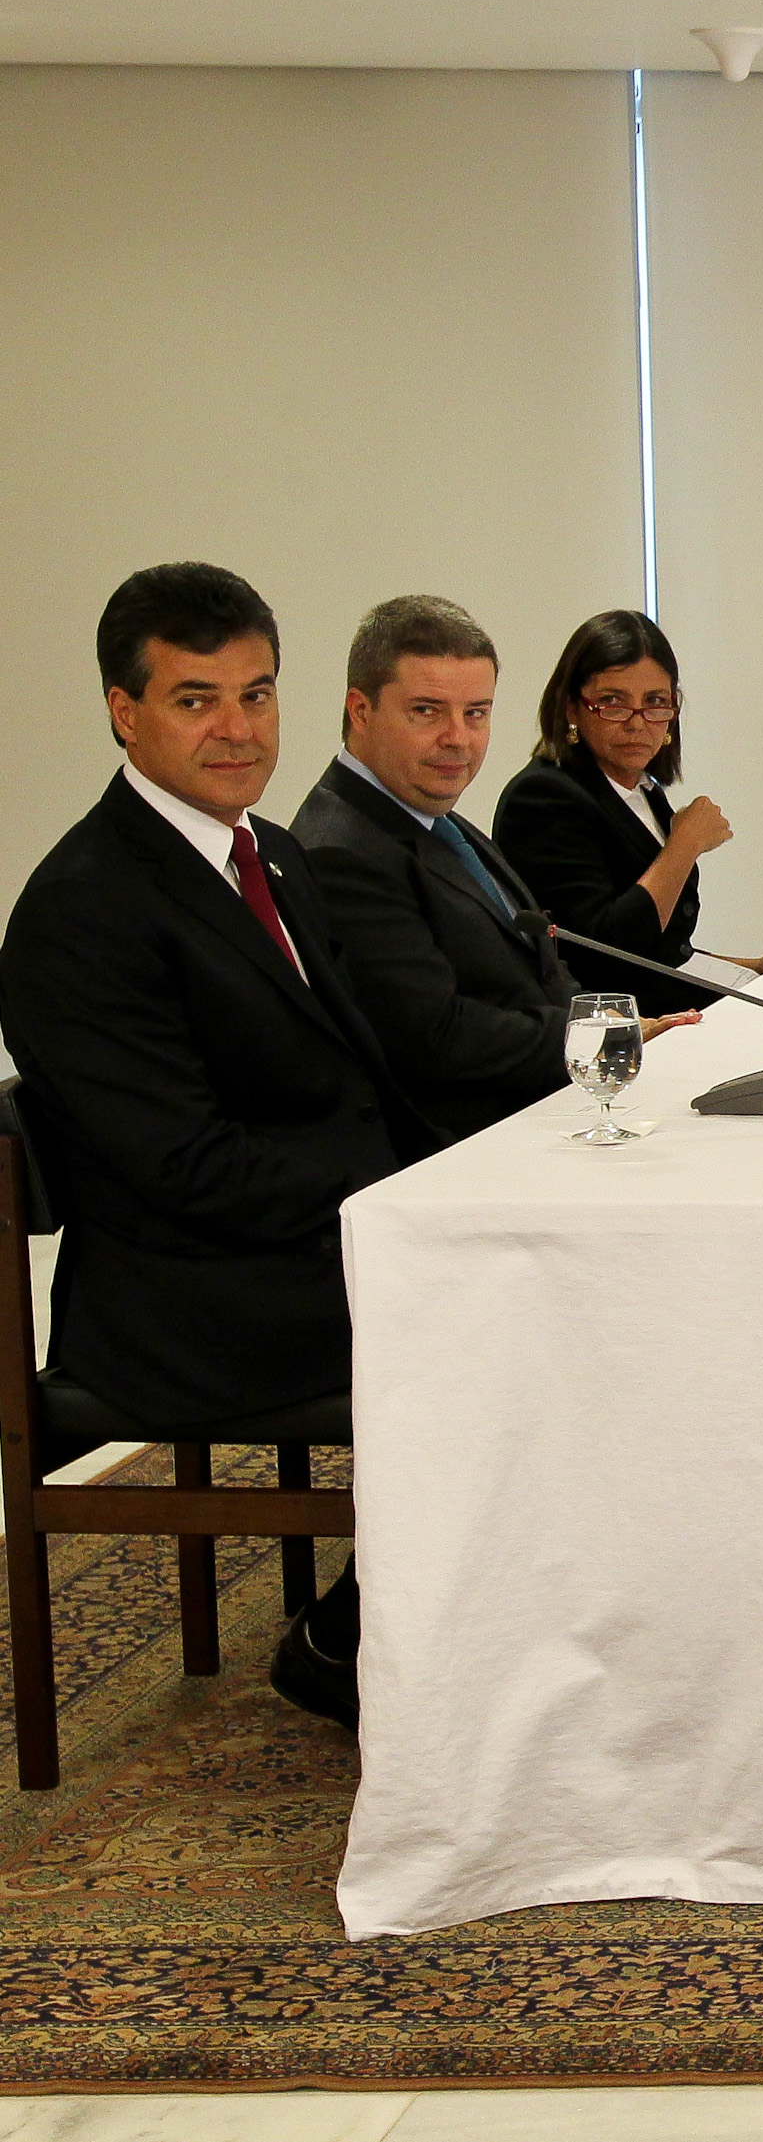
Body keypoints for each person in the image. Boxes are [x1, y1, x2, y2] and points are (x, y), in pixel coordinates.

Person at [0, 563, 437, 1728]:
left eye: (257, 694)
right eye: (197, 700)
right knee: (518, 1313)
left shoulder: (273, 854)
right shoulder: (81, 908)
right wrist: (398, 1193)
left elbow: (357, 1083)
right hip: (187, 1300)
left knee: (554, 1268)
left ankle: (452, 1625)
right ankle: (358, 1647)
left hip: (296, 1243)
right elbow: (185, 1172)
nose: (238, 730)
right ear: (122, 710)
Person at [292, 598, 653, 1146]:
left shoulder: (434, 817)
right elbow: (432, 1035)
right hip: (461, 1155)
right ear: (360, 711)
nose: (458, 737)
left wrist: (598, 1024)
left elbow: (539, 966)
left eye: (476, 712)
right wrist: (590, 1035)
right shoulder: (341, 849)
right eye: (427, 711)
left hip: (545, 1114)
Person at [494, 609, 763, 1020]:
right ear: (571, 708)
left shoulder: (641, 789)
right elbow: (606, 953)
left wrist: (750, 968)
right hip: (620, 1028)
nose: (637, 724)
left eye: (655, 702)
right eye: (612, 702)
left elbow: (665, 949)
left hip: (666, 1004)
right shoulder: (543, 797)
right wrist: (685, 844)